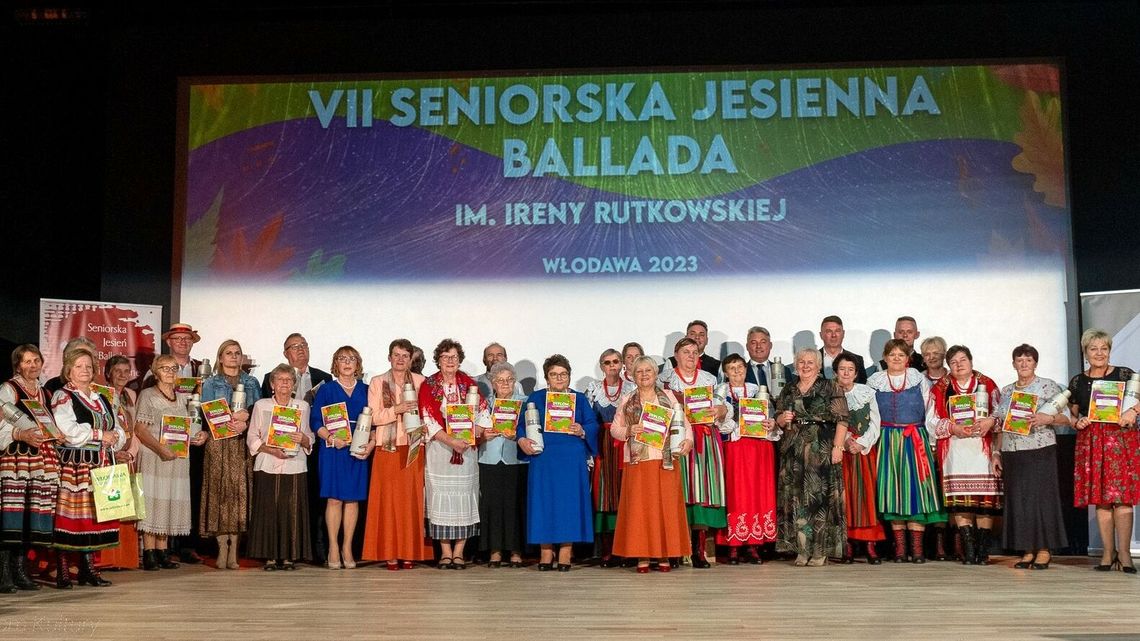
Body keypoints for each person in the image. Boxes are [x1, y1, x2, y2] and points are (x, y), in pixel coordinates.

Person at [610, 355, 694, 573]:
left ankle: (665, 554)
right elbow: (614, 429)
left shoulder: (668, 397)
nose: (644, 375)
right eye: (639, 371)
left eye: (648, 370)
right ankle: (643, 555)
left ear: (656, 374)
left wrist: (688, 441)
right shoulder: (628, 399)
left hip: (664, 461)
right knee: (640, 510)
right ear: (632, 375)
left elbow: (684, 424)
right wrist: (629, 430)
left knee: (665, 508)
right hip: (638, 461)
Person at [50, 348, 126, 588]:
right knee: (71, 519)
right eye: (79, 366)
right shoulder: (63, 396)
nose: (85, 370)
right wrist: (100, 435)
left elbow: (119, 427)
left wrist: (115, 437)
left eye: (89, 367)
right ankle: (63, 570)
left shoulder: (102, 397)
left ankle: (87, 569)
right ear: (68, 370)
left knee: (94, 518)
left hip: (102, 464)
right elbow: (68, 431)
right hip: (77, 466)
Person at [517, 354, 599, 571]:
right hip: (543, 458)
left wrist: (583, 430)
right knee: (544, 503)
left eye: (563, 374)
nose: (559, 378)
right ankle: (545, 550)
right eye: (554, 374)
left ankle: (565, 550)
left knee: (568, 504)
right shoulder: (536, 397)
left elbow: (592, 424)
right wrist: (522, 439)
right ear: (547, 378)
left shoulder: (579, 399)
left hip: (571, 459)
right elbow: (521, 425)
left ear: (569, 376)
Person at [868, 339, 946, 563]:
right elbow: (872, 415)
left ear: (908, 358)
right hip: (888, 441)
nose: (896, 358)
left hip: (914, 440)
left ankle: (917, 549)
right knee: (893, 491)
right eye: (892, 355)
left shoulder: (918, 379)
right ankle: (900, 549)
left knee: (915, 492)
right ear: (884, 358)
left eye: (900, 355)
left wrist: (931, 443)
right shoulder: (876, 381)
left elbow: (930, 412)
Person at [1067, 329, 1138, 574]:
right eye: (1093, 349)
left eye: (1104, 348)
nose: (1099, 353)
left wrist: (1133, 411)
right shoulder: (1078, 381)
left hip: (1121, 440)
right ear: (1086, 352)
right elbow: (1073, 412)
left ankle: (1125, 554)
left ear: (1109, 350)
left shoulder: (1125, 374)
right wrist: (1077, 421)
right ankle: (1108, 553)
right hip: (1092, 441)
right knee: (1102, 499)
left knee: (1122, 498)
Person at [993, 344, 1069, 570]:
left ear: (1035, 363)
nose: (1024, 364)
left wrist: (1048, 419)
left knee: (1042, 500)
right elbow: (999, 423)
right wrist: (997, 452)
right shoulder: (1006, 391)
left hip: (1039, 449)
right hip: (1012, 451)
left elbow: (1066, 418)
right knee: (1019, 501)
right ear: (1013, 363)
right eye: (1019, 360)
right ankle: (1027, 549)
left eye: (1028, 360)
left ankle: (1044, 549)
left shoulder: (1047, 386)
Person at [774, 347, 849, 566]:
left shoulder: (830, 386)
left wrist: (838, 447)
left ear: (818, 365)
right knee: (796, 498)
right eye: (801, 362)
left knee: (820, 499)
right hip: (793, 449)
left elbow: (843, 419)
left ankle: (820, 550)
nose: (805, 366)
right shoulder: (789, 388)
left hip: (821, 446)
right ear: (795, 365)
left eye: (810, 362)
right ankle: (801, 549)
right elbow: (778, 417)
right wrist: (781, 418)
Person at [259, 333, 331, 564]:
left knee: (314, 499)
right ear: (285, 353)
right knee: (282, 502)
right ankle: (278, 551)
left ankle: (315, 548)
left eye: (304, 345)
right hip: (278, 451)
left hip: (313, 445)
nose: (300, 350)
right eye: (294, 347)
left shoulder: (324, 377)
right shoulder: (270, 377)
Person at [361, 339, 432, 570]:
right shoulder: (377, 382)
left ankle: (409, 551)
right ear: (389, 357)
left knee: (411, 502)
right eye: (396, 355)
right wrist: (397, 410)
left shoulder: (422, 382)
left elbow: (427, 415)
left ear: (411, 359)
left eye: (405, 355)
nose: (400, 359)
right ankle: (390, 553)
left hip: (413, 446)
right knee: (387, 503)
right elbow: (374, 417)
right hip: (387, 448)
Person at [659, 337, 729, 568]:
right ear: (676, 355)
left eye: (694, 352)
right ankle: (678, 548)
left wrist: (721, 409)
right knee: (678, 491)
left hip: (705, 439)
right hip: (678, 439)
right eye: (685, 351)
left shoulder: (709, 379)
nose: (690, 356)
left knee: (702, 492)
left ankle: (699, 550)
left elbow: (722, 407)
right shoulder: (666, 380)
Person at [929, 345, 1003, 565]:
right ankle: (969, 549)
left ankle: (983, 549)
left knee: (983, 502)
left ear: (971, 361)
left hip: (982, 450)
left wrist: (990, 421)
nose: (959, 365)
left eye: (963, 360)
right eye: (953, 362)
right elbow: (931, 421)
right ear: (948, 366)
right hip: (956, 450)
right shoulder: (941, 388)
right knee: (961, 502)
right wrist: (953, 428)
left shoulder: (987, 384)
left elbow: (1001, 413)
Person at [133, 354, 208, 571]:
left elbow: (190, 428)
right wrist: (160, 449)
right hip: (153, 455)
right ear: (155, 372)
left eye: (174, 368)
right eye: (165, 368)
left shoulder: (184, 397)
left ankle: (163, 551)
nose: (170, 372)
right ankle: (149, 553)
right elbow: (140, 429)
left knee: (167, 501)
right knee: (152, 501)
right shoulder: (147, 395)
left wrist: (199, 436)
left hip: (176, 459)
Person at [418, 339, 487, 570]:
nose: (450, 361)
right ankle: (445, 552)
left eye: (454, 357)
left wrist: (476, 431)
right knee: (440, 498)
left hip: (466, 452)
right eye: (446, 357)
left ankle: (459, 552)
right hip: (440, 451)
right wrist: (451, 441)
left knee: (464, 498)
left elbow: (483, 414)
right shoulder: (428, 385)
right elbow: (426, 418)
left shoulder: (470, 384)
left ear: (460, 360)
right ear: (438, 360)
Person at [0, 345, 59, 592]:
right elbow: (1, 420)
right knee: (10, 516)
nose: (32, 365)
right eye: (27, 361)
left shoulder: (45, 392)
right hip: (16, 459)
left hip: (40, 461)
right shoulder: (8, 389)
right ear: (18, 365)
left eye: (36, 360)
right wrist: (19, 433)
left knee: (28, 518)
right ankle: (3, 575)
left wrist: (57, 435)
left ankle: (20, 570)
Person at [199, 339, 260, 570]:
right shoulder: (210, 382)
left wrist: (247, 420)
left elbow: (260, 411)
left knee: (238, 495)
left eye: (237, 353)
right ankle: (221, 546)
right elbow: (204, 413)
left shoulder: (252, 382)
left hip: (241, 444)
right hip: (217, 443)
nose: (233, 356)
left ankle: (234, 548)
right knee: (218, 493)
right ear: (220, 357)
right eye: (228, 353)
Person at [247, 364, 313, 570]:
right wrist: (270, 450)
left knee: (291, 511)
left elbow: (309, 436)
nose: (285, 383)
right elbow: (252, 437)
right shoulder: (261, 405)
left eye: (289, 380)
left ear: (294, 384)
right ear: (272, 384)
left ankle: (288, 556)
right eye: (280, 380)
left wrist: (304, 439)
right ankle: (269, 556)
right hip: (267, 463)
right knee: (268, 511)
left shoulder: (302, 406)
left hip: (295, 465)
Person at [309, 346, 369, 570]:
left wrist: (370, 444)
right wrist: (332, 439)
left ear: (358, 364)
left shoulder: (367, 389)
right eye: (342, 358)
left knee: (352, 500)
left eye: (352, 358)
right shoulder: (327, 390)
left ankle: (347, 547)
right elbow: (316, 422)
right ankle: (333, 547)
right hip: (333, 450)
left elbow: (374, 422)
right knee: (334, 499)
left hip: (357, 450)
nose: (347, 362)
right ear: (335, 364)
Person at [716, 353, 778, 564]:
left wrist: (771, 423)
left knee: (757, 493)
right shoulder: (720, 393)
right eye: (732, 368)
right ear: (725, 372)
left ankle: (754, 545)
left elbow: (770, 418)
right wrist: (732, 422)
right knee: (737, 494)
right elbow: (720, 425)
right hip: (735, 448)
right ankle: (734, 546)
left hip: (758, 448)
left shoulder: (758, 391)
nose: (736, 371)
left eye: (740, 367)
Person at [585, 349, 635, 566]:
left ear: (622, 364)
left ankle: (626, 548)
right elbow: (588, 419)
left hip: (626, 444)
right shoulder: (594, 389)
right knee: (604, 494)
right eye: (607, 362)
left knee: (626, 493)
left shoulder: (632, 388)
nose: (612, 366)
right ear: (601, 365)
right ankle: (606, 549)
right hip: (603, 445)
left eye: (616, 361)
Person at [835, 353, 885, 564]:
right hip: (841, 452)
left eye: (850, 370)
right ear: (836, 372)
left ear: (856, 373)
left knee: (865, 497)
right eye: (842, 369)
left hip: (863, 452)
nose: (846, 373)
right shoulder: (831, 393)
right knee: (844, 498)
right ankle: (846, 544)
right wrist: (846, 441)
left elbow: (875, 422)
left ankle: (869, 544)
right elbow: (830, 423)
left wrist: (861, 443)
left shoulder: (866, 392)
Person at [477, 361, 528, 568]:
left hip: (514, 457)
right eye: (500, 380)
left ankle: (515, 550)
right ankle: (495, 550)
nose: (505, 383)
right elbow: (472, 433)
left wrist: (519, 434)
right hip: (489, 458)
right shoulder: (484, 404)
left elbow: (530, 430)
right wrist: (482, 435)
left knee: (515, 504)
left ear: (514, 382)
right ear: (492, 383)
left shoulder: (524, 403)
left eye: (509, 379)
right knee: (492, 506)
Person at [99, 355, 140, 570]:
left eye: (127, 371)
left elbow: (137, 428)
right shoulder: (100, 393)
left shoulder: (132, 395)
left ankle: (125, 559)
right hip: (109, 457)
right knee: (110, 506)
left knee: (126, 510)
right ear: (108, 373)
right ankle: (108, 559)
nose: (123, 375)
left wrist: (131, 454)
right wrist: (114, 453)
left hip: (128, 458)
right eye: (118, 371)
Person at [917, 335, 951, 559]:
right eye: (927, 354)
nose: (931, 358)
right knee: (928, 491)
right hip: (922, 440)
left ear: (944, 355)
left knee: (946, 491)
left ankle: (948, 543)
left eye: (936, 354)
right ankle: (930, 543)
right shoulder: (917, 379)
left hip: (949, 440)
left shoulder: (953, 379)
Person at [743, 326, 793, 392]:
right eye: (754, 342)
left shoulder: (785, 371)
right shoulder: (739, 372)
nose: (758, 346)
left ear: (770, 345)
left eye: (763, 342)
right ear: (747, 346)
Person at [819, 315, 867, 383]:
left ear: (843, 333)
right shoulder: (810, 360)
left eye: (837, 331)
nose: (834, 335)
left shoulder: (858, 360)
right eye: (829, 331)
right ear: (821, 335)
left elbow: (863, 387)